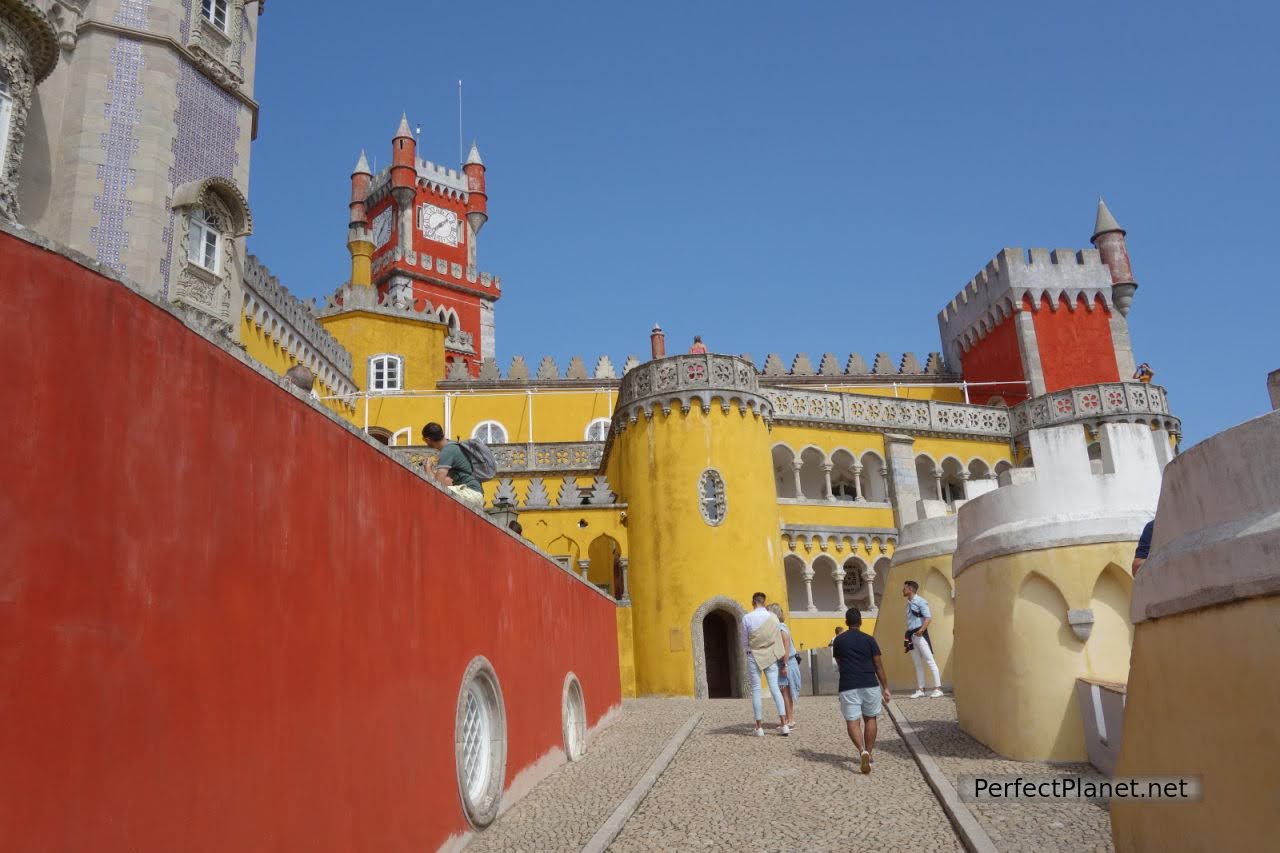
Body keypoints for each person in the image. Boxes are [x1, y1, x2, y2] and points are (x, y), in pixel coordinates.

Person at [831, 608, 890, 774]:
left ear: (846, 622)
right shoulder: (869, 640)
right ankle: (869, 753)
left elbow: (840, 662)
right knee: (870, 718)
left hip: (848, 684)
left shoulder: (839, 641)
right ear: (861, 622)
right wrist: (885, 687)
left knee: (852, 721)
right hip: (869, 683)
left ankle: (861, 750)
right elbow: (878, 665)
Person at [742, 592, 790, 737]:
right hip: (770, 655)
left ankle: (759, 727)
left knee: (756, 689)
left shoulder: (747, 617)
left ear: (753, 602)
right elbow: (776, 637)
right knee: (775, 688)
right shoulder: (773, 617)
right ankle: (784, 724)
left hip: (754, 655)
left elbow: (744, 640)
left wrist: (748, 651)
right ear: (764, 602)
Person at [421, 422, 484, 509]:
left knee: (428, 493)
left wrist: (427, 469)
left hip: (469, 493)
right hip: (475, 494)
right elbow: (447, 481)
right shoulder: (453, 445)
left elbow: (436, 484)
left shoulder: (447, 451)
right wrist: (430, 470)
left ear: (428, 439)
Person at [903, 581, 943, 698]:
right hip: (911, 635)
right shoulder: (908, 602)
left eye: (905, 588)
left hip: (920, 635)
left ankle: (938, 688)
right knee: (917, 663)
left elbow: (928, 618)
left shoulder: (920, 601)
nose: (903, 590)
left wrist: (921, 630)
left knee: (930, 661)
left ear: (910, 589)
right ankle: (921, 689)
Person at [767, 603, 801, 727]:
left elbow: (785, 649)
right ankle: (788, 718)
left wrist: (784, 665)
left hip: (786, 663)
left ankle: (789, 720)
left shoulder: (781, 629)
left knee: (785, 693)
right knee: (784, 692)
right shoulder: (780, 628)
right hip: (785, 662)